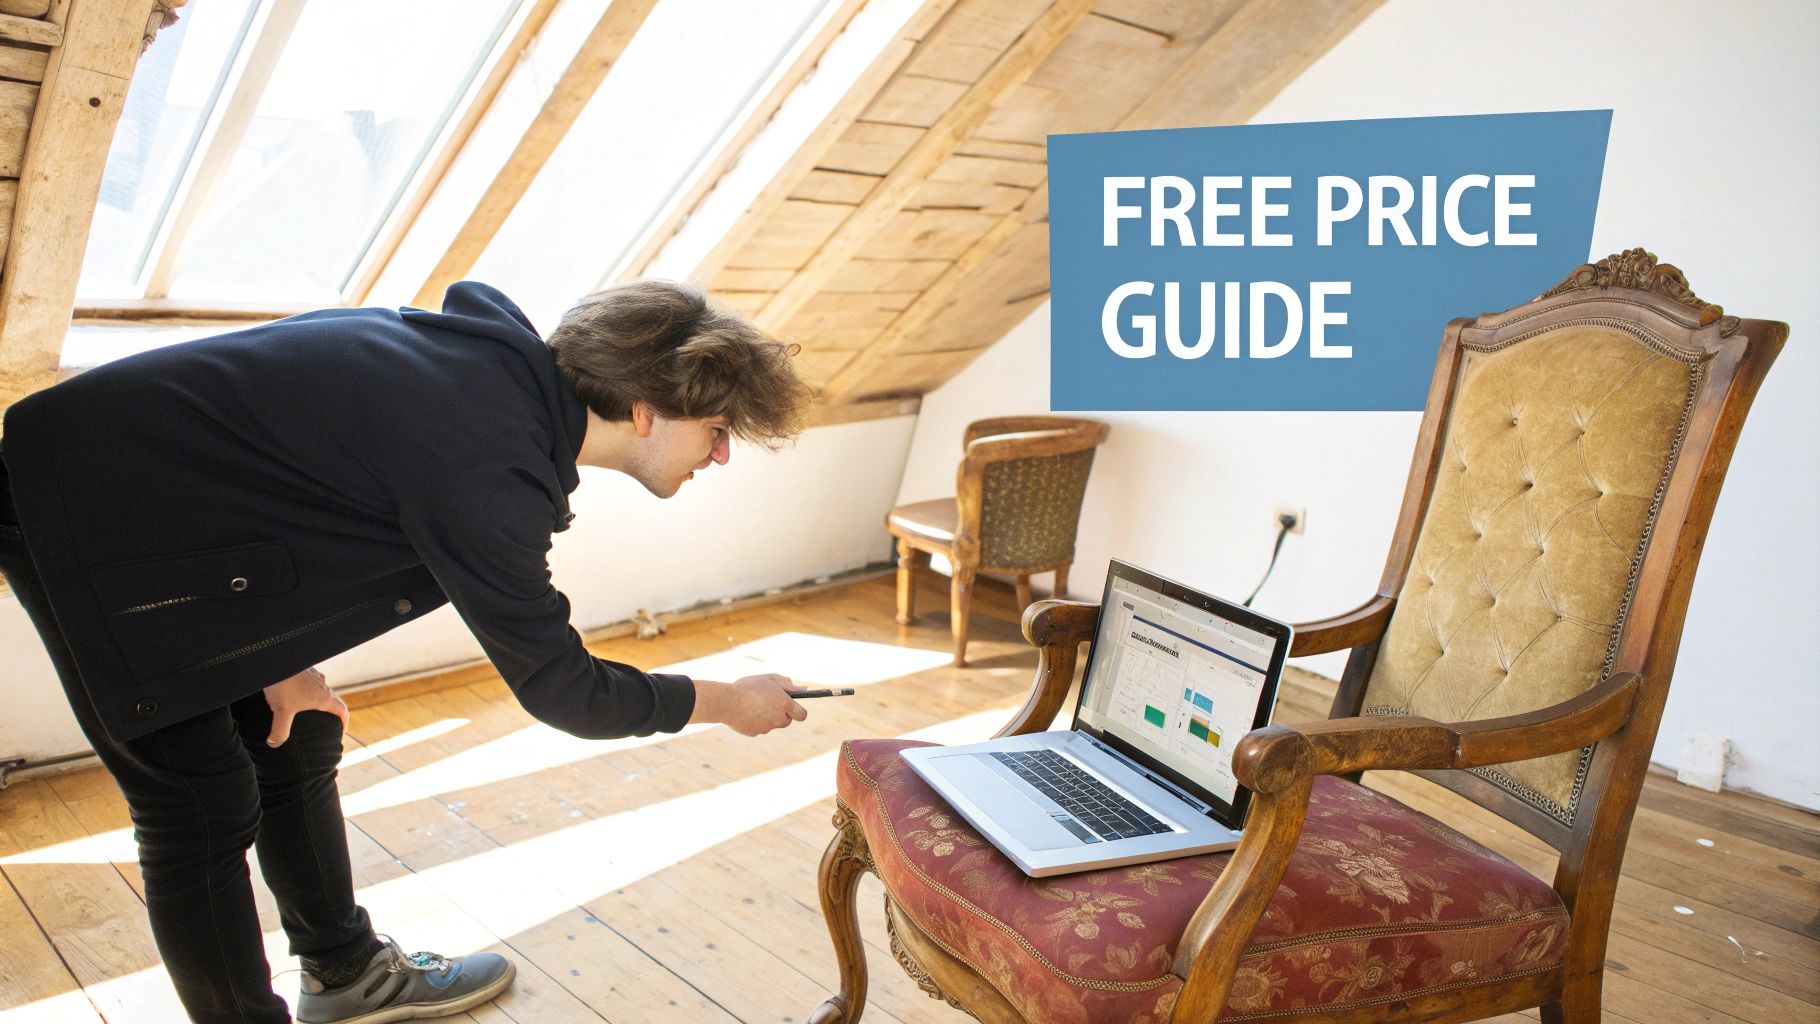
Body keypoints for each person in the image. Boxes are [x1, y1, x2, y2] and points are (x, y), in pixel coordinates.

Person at [0, 279, 818, 1023]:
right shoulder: (488, 463)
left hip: (159, 507)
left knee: (296, 728)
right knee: (198, 802)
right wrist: (725, 701)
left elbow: (271, 468)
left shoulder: (487, 376)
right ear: (644, 407)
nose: (720, 454)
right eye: (716, 431)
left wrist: (277, 660)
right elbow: (565, 692)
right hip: (71, 512)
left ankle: (345, 972)